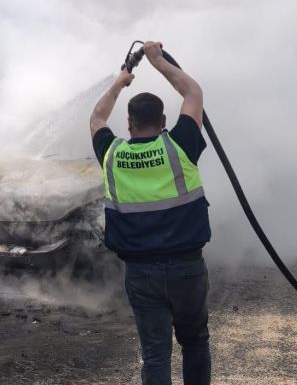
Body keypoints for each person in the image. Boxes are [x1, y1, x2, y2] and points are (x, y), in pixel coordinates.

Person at [89, 41, 211, 385]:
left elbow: (97, 118)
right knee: (195, 342)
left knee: (156, 355)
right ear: (163, 121)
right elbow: (193, 92)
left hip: (141, 273)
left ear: (128, 124)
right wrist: (157, 61)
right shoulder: (180, 144)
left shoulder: (111, 153)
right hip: (187, 268)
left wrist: (119, 81)